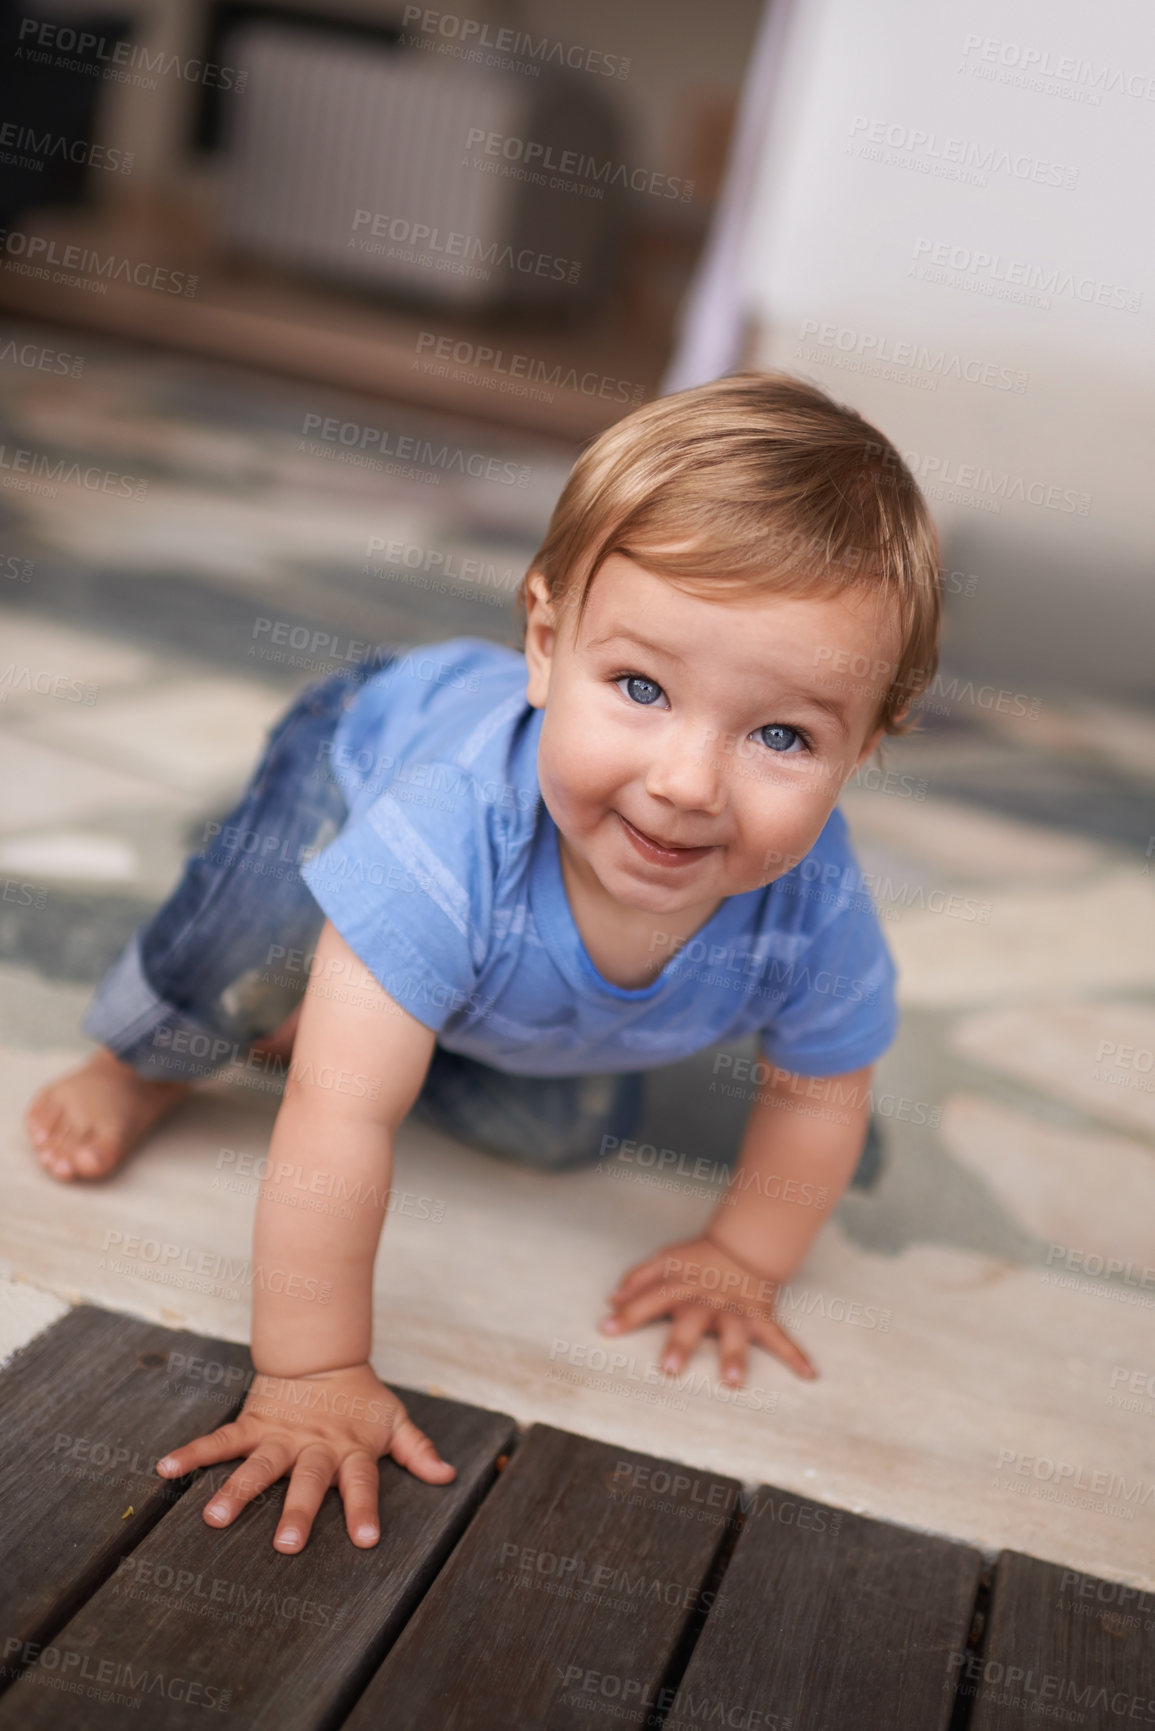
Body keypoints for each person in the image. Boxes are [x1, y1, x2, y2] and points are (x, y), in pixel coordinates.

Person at [25, 371, 940, 1554]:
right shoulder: (445, 824)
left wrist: (741, 1257)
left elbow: (823, 1090)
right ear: (549, 646)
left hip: (492, 962)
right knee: (245, 959)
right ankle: (145, 1059)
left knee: (563, 1132)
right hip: (354, 756)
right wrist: (313, 1372)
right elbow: (337, 1123)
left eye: (780, 735)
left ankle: (368, 999)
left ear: (864, 748)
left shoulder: (814, 904)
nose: (685, 782)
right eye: (641, 687)